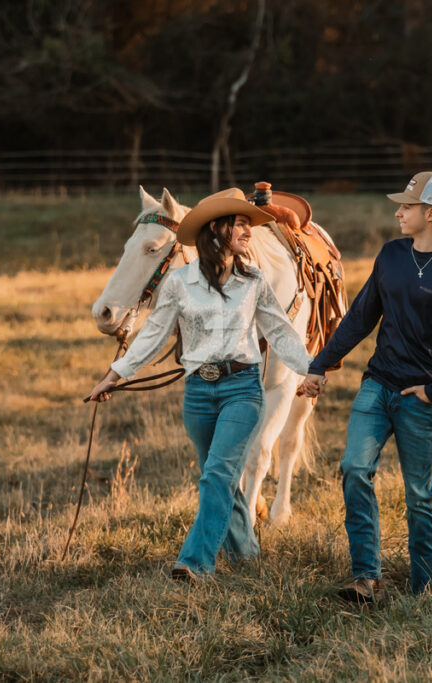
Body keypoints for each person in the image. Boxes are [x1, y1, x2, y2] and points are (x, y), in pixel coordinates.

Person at [88, 188, 312, 582]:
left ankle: (195, 562)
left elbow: (280, 332)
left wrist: (311, 369)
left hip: (241, 389)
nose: (248, 230)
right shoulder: (179, 284)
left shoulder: (254, 280)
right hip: (198, 394)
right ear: (216, 231)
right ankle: (246, 555)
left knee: (215, 477)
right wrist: (114, 375)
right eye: (239, 224)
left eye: (248, 223)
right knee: (218, 477)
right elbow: (153, 335)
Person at [299, 171, 432, 602]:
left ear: (431, 212)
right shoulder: (390, 256)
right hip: (377, 386)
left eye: (406, 206)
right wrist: (320, 365)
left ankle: (425, 590)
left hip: (420, 401)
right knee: (353, 468)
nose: (399, 212)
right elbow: (361, 317)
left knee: (420, 495)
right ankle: (367, 580)